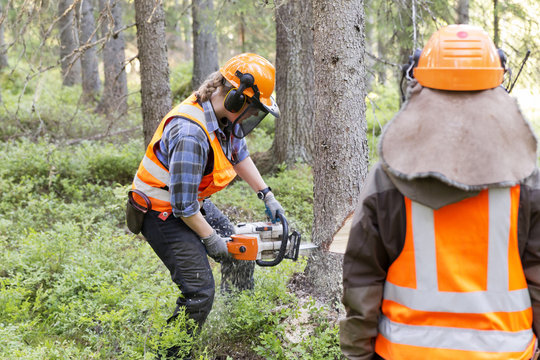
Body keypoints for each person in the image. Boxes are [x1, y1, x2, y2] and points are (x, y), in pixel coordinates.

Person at [340, 25, 540, 360]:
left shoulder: (388, 178)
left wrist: (356, 355)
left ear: (417, 78)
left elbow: (362, 280)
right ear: (499, 77)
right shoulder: (526, 179)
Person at [129, 53, 285, 343]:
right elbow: (182, 206)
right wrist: (212, 240)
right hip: (161, 212)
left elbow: (238, 153)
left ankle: (236, 324)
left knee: (241, 252)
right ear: (236, 98)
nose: (252, 116)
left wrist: (267, 196)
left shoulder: (224, 118)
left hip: (188, 202)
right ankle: (171, 350)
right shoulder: (190, 132)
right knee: (199, 292)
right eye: (252, 108)